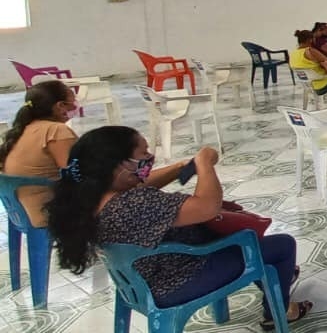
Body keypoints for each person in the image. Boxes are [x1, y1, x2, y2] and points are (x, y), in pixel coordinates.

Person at [46, 127, 310, 329]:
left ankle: (276, 279)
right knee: (280, 245)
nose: (150, 157)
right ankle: (279, 311)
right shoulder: (133, 203)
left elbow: (142, 186)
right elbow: (207, 206)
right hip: (178, 279)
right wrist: (205, 163)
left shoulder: (91, 197)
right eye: (143, 155)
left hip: (142, 280)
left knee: (251, 247)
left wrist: (179, 169)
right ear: (118, 166)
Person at [0, 80, 78, 227]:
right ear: (60, 106)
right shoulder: (56, 131)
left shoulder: (23, 129)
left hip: (20, 213)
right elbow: (76, 173)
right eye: (72, 103)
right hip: (47, 214)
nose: (75, 107)